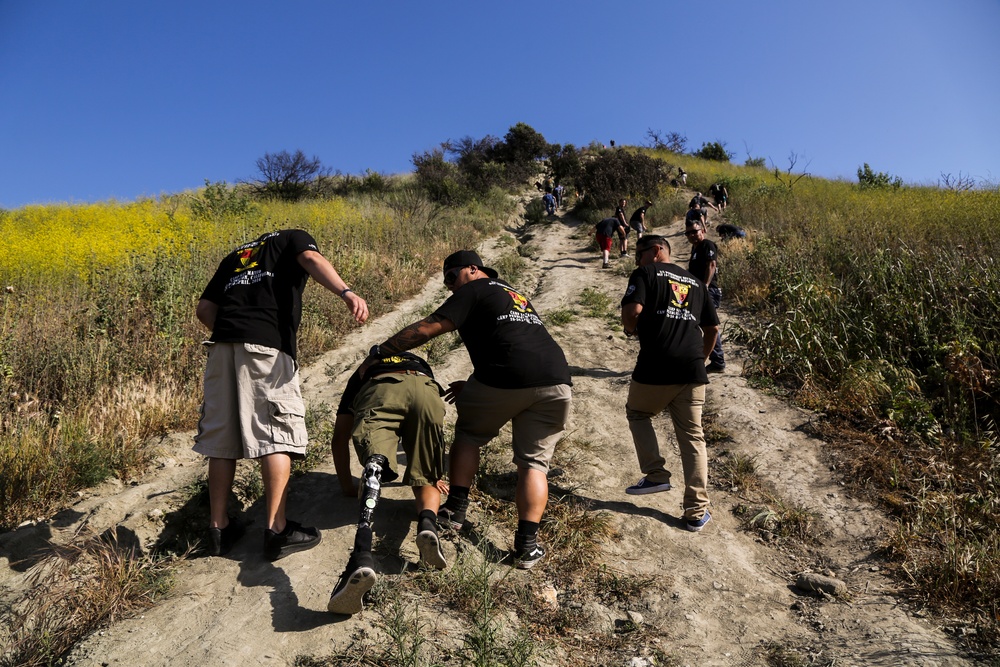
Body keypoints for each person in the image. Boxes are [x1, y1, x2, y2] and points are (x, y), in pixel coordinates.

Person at [362, 250, 572, 569]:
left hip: (505, 378)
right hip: (557, 381)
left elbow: (429, 327)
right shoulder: (515, 294)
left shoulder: (474, 289)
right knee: (534, 464)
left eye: (451, 277)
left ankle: (455, 510)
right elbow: (515, 344)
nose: (449, 286)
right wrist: (474, 383)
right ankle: (527, 547)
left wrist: (381, 351)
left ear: (473, 270)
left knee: (469, 435)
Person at [194, 229, 369, 559]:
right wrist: (346, 292)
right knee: (275, 434)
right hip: (266, 346)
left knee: (222, 439)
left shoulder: (235, 256)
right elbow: (312, 259)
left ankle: (218, 528)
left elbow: (204, 310)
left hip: (221, 348)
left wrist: (235, 330)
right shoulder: (292, 238)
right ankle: (277, 530)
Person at [327, 351, 449, 614]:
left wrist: (347, 486)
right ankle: (428, 523)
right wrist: (434, 474)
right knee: (424, 473)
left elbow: (340, 438)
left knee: (376, 462)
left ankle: (361, 554)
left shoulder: (365, 370)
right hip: (426, 389)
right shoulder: (419, 364)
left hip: (380, 389)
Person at [621, 235, 718, 532]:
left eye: (639, 253)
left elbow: (633, 311)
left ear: (656, 251)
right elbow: (712, 328)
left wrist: (630, 329)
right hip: (691, 370)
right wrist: (701, 358)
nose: (637, 260)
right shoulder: (697, 284)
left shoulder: (646, 273)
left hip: (656, 365)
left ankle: (656, 475)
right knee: (692, 437)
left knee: (638, 413)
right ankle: (695, 513)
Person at [686, 223, 726, 373]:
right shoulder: (695, 248)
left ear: (702, 230)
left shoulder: (707, 245)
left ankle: (718, 361)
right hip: (699, 291)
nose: (691, 235)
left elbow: (712, 264)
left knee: (709, 326)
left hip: (708, 291)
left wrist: (705, 285)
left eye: (694, 232)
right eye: (688, 233)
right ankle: (715, 359)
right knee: (705, 325)